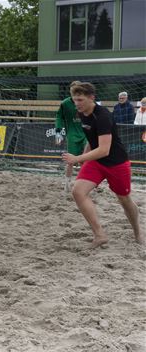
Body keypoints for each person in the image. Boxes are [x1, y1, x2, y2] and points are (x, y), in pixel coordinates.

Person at [61, 82, 143, 249]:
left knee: (124, 199)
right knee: (78, 191)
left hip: (116, 163)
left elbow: (104, 150)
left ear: (92, 98)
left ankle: (138, 233)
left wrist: (78, 158)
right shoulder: (82, 113)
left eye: (80, 99)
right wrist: (84, 158)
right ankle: (99, 235)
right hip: (96, 163)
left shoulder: (103, 116)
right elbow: (92, 140)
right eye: (74, 99)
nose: (76, 103)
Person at [55, 81, 88, 192]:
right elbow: (59, 117)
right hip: (72, 135)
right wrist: (58, 133)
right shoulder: (65, 103)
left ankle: (85, 183)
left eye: (78, 91)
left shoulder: (85, 101)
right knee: (70, 161)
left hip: (86, 134)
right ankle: (67, 183)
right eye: (73, 91)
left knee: (86, 160)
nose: (75, 94)